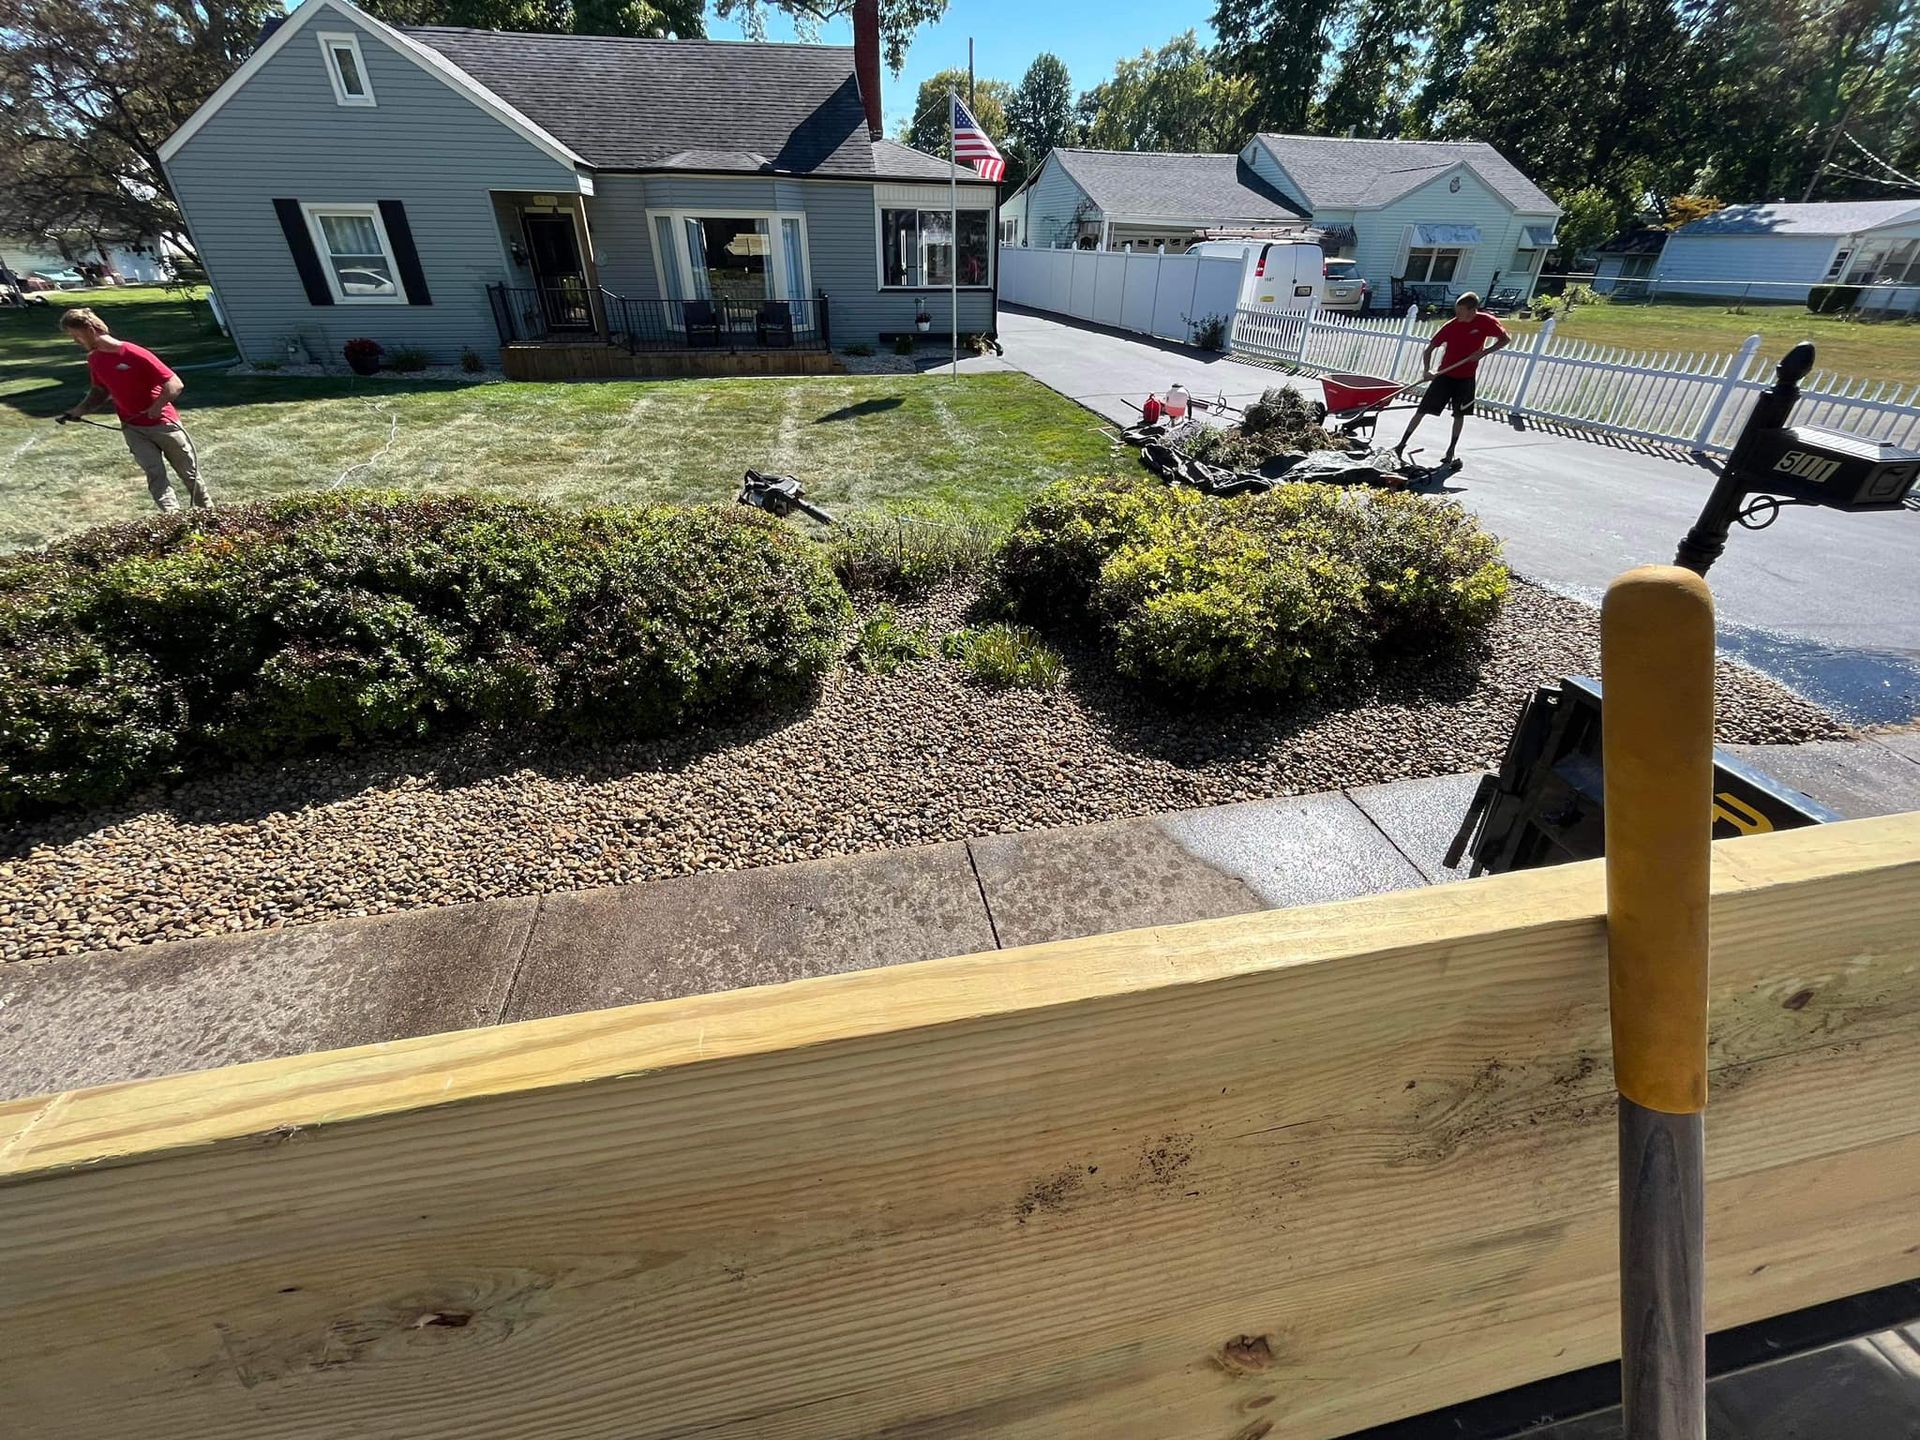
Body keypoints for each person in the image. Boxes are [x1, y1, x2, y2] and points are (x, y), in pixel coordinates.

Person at [58, 306, 212, 512]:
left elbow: (175, 384)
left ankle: (209, 515)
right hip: (132, 428)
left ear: (90, 330)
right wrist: (79, 411)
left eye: (76, 336)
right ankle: (173, 519)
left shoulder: (134, 353)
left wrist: (157, 407)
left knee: (189, 474)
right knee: (155, 475)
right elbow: (99, 391)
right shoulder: (94, 359)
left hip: (164, 425)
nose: (76, 341)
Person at [1393, 292, 1510, 469]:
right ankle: (1401, 444)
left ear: (1472, 310)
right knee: (1422, 410)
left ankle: (1450, 451)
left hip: (1466, 378)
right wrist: (1427, 371)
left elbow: (1505, 339)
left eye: (1461, 311)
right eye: (1456, 310)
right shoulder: (1451, 326)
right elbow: (1428, 350)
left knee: (1459, 414)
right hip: (1444, 376)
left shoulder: (1486, 321)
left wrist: (1483, 353)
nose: (1457, 314)